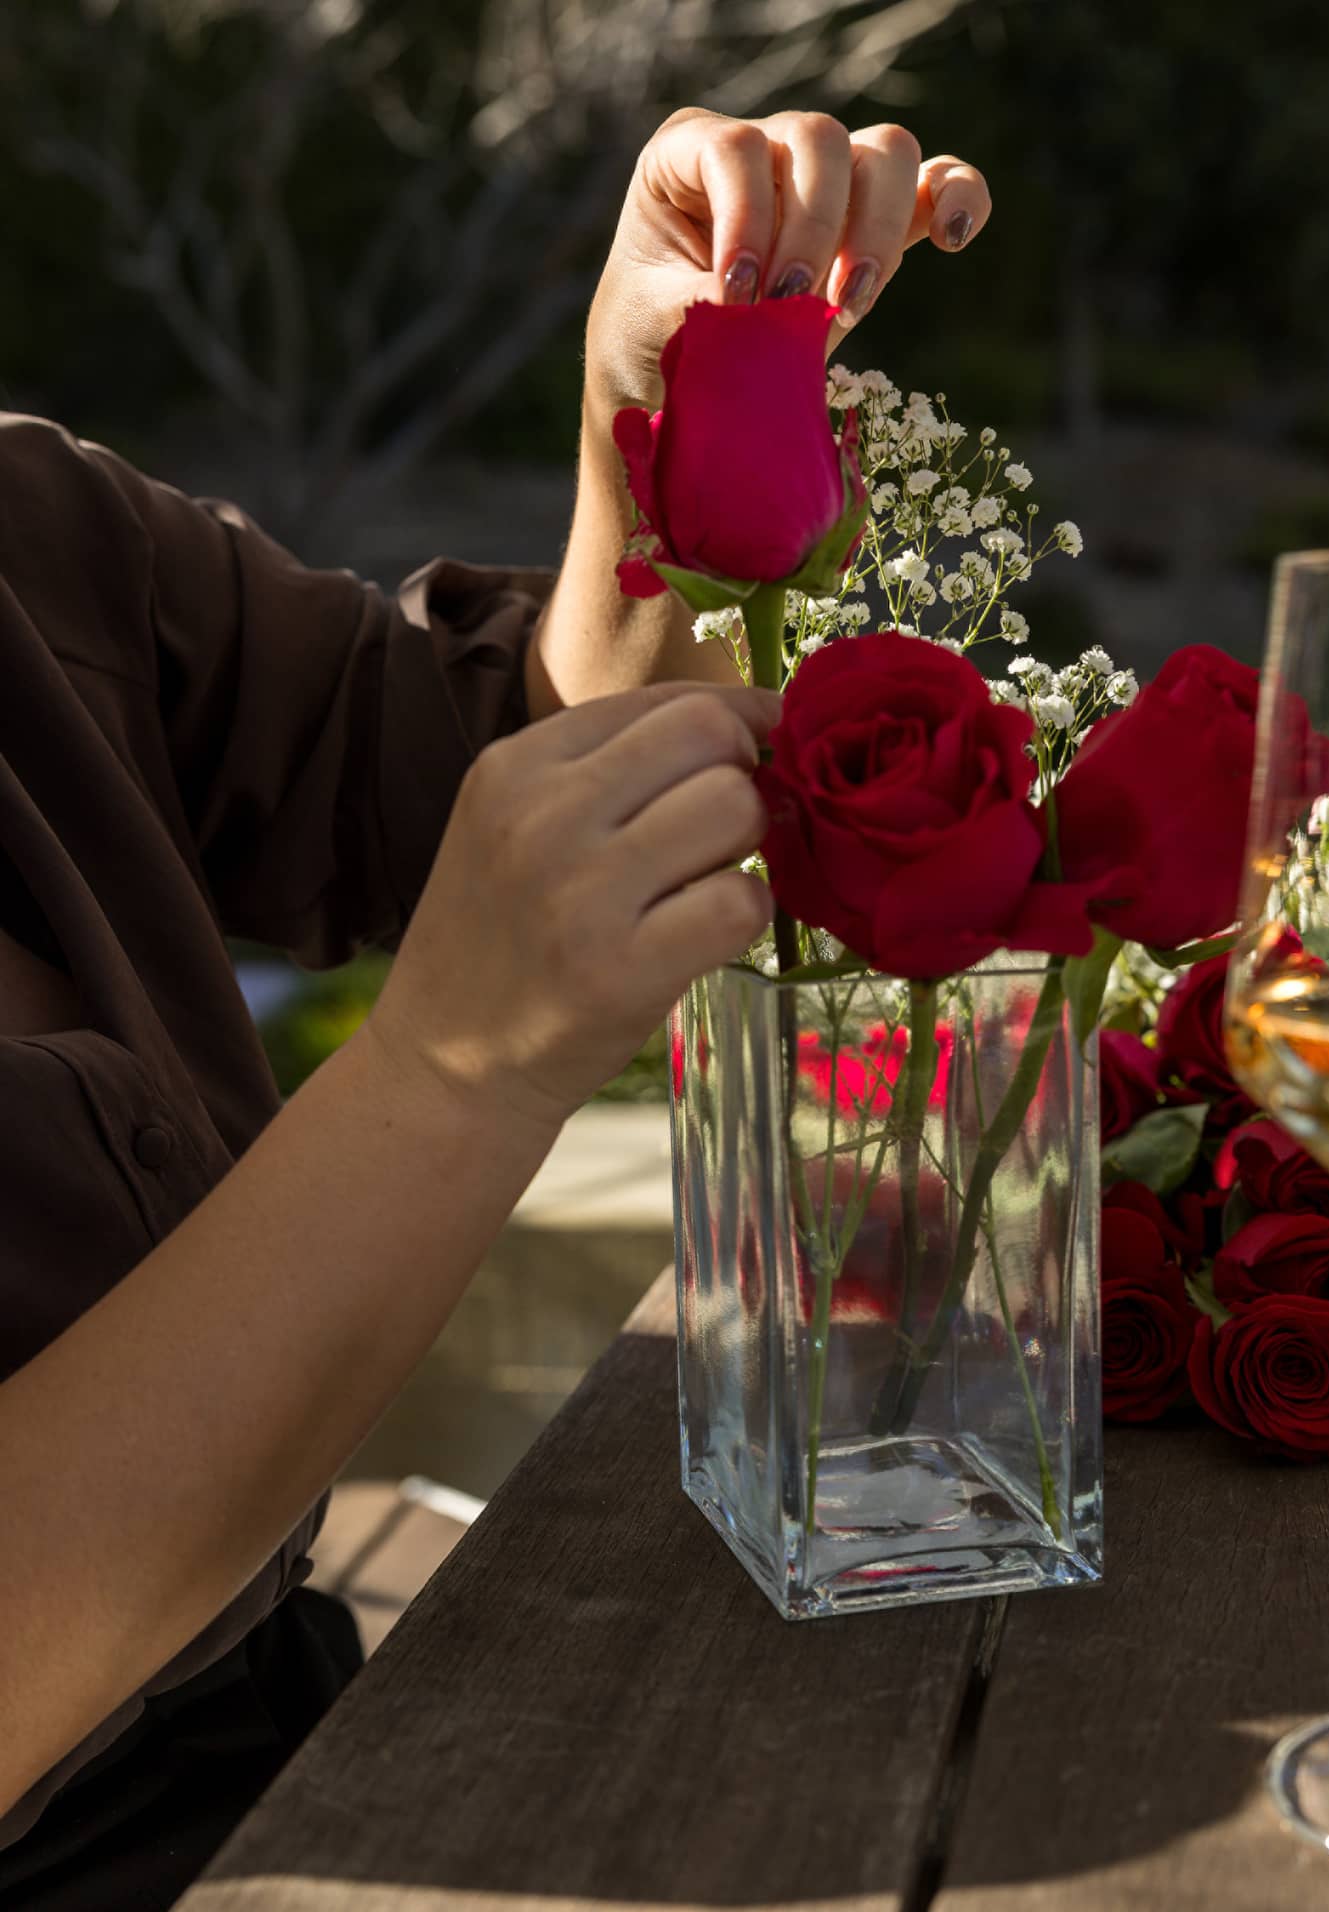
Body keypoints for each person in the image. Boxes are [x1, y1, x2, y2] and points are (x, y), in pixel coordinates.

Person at [0, 106, 990, 1907]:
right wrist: (451, 1075)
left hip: (328, 1773)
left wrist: (666, 432)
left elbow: (485, 774)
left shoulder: (30, 539)